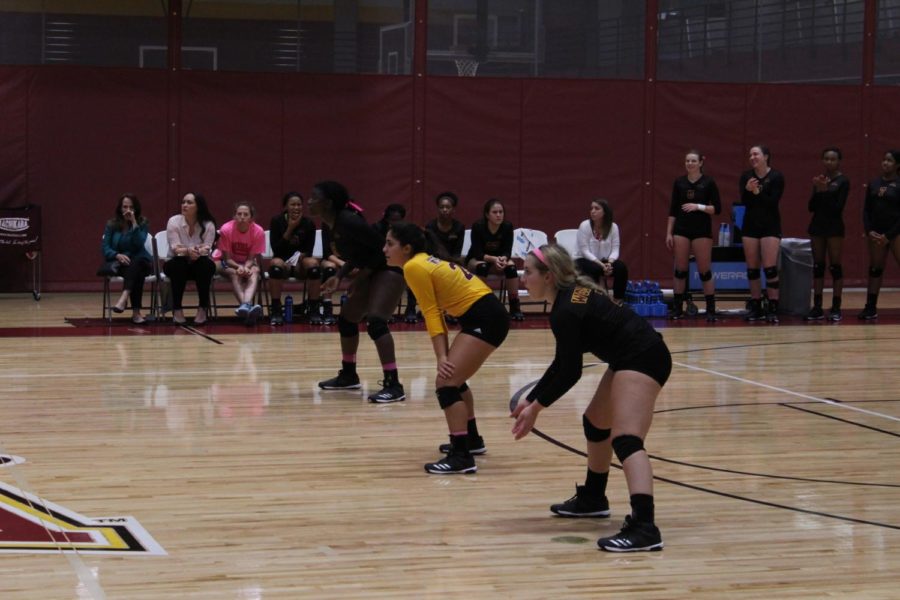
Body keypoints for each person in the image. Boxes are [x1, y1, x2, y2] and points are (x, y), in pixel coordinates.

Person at [512, 243, 671, 552]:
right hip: (632, 354)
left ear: (548, 276)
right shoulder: (568, 298)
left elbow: (571, 371)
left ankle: (645, 527)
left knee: (626, 439)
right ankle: (593, 498)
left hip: (642, 356)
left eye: (528, 272)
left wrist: (537, 409)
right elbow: (563, 362)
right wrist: (532, 399)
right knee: (596, 423)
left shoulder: (567, 309)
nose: (522, 279)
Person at [384, 222, 510, 474]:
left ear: (406, 248)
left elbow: (432, 314)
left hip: (485, 317)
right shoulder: (423, 261)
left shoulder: (413, 266)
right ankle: (471, 440)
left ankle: (461, 455)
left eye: (390, 244)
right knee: (456, 380)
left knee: (446, 382)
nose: (384, 248)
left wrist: (441, 357)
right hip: (485, 314)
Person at [311, 181, 406, 403]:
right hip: (371, 269)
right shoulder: (330, 224)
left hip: (389, 268)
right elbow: (357, 253)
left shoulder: (349, 221)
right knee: (347, 320)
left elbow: (380, 250)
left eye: (314, 197)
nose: (309, 201)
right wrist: (339, 276)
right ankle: (348, 374)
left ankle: (394, 385)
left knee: (376, 322)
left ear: (328, 202)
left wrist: (360, 279)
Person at [666, 151, 722, 321]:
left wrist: (699, 206)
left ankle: (710, 309)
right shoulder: (679, 182)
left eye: (693, 161)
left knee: (704, 271)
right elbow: (673, 210)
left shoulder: (708, 182)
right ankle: (677, 308)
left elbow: (717, 209)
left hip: (701, 230)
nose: (690, 163)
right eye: (687, 161)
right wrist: (669, 232)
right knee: (680, 270)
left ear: (700, 163)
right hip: (681, 229)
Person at [739, 144, 785, 323]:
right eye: (750, 155)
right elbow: (744, 200)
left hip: (770, 226)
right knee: (752, 269)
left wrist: (756, 191)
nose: (752, 157)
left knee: (770, 268)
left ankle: (773, 306)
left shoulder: (776, 177)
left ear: (766, 156)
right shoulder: (746, 176)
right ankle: (756, 305)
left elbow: (773, 202)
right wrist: (749, 191)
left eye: (756, 154)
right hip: (750, 225)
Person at [805, 147, 850, 322]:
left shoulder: (843, 181)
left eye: (833, 159)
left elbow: (838, 208)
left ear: (839, 161)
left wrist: (825, 191)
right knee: (818, 266)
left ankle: (836, 306)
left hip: (834, 227)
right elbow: (811, 207)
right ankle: (817, 306)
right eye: (826, 159)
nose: (829, 162)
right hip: (817, 226)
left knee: (835, 266)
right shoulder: (820, 180)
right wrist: (819, 189)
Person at [466, 198, 525, 320]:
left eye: (501, 212)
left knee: (512, 268)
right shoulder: (478, 226)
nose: (499, 215)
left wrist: (503, 258)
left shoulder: (507, 226)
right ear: (487, 214)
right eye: (495, 212)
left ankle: (514, 306)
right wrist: (494, 259)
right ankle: (480, 305)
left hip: (498, 259)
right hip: (478, 259)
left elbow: (507, 250)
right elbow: (477, 253)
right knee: (482, 266)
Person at [859, 150, 900, 320]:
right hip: (876, 232)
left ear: (898, 165)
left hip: (896, 231)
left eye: (889, 160)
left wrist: (889, 235)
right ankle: (870, 307)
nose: (885, 163)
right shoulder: (874, 183)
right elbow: (866, 210)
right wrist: (869, 231)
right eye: (884, 159)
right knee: (875, 269)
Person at [164, 192, 217, 325]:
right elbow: (176, 249)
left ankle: (202, 309)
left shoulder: (208, 224)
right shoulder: (174, 221)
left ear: (198, 206)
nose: (185, 205)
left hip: (199, 262)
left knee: (205, 265)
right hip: (175, 262)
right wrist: (188, 251)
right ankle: (177, 309)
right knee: (179, 264)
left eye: (189, 202)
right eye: (183, 202)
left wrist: (194, 251)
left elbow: (207, 248)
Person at [267, 191, 320, 325]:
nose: (296, 208)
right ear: (286, 207)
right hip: (282, 263)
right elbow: (277, 249)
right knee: (275, 264)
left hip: (300, 265)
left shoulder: (308, 223)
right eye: (293, 205)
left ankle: (313, 309)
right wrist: (290, 228)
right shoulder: (276, 221)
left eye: (299, 205)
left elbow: (309, 250)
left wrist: (302, 257)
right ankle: (276, 310)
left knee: (313, 264)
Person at [100, 193, 152, 324]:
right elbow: (105, 247)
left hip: (142, 261)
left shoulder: (142, 222)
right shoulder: (111, 225)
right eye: (125, 206)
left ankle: (124, 297)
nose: (127, 210)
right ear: (120, 208)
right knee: (135, 272)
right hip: (121, 263)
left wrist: (134, 222)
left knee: (136, 265)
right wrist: (117, 255)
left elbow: (139, 243)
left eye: (131, 207)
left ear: (135, 209)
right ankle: (136, 313)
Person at [215, 202, 266, 326]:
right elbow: (227, 259)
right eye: (239, 214)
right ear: (234, 216)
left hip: (246, 262)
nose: (242, 217)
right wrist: (239, 268)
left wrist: (246, 267)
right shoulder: (226, 230)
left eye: (245, 214)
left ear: (251, 218)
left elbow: (251, 258)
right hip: (224, 261)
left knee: (255, 271)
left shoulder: (258, 231)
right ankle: (248, 306)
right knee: (234, 273)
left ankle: (245, 306)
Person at [573, 198, 628, 303]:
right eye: (591, 208)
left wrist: (610, 263)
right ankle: (594, 301)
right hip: (583, 260)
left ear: (605, 212)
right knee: (594, 268)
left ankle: (617, 301)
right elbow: (585, 251)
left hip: (604, 261)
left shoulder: (613, 227)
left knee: (621, 268)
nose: (592, 211)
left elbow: (615, 249)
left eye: (596, 208)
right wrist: (603, 266)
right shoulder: (584, 225)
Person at [374, 203, 420, 323]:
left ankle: (411, 308)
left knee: (413, 272)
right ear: (387, 219)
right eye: (392, 220)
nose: (395, 223)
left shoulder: (407, 231)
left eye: (398, 220)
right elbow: (377, 251)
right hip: (381, 263)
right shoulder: (377, 228)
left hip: (400, 263)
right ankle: (383, 310)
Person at [425, 191, 466, 263]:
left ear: (453, 209)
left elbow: (457, 251)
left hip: (453, 260)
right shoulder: (430, 226)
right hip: (434, 260)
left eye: (448, 207)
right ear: (438, 209)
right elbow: (430, 250)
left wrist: (453, 261)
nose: (444, 210)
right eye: (441, 207)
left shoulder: (459, 227)